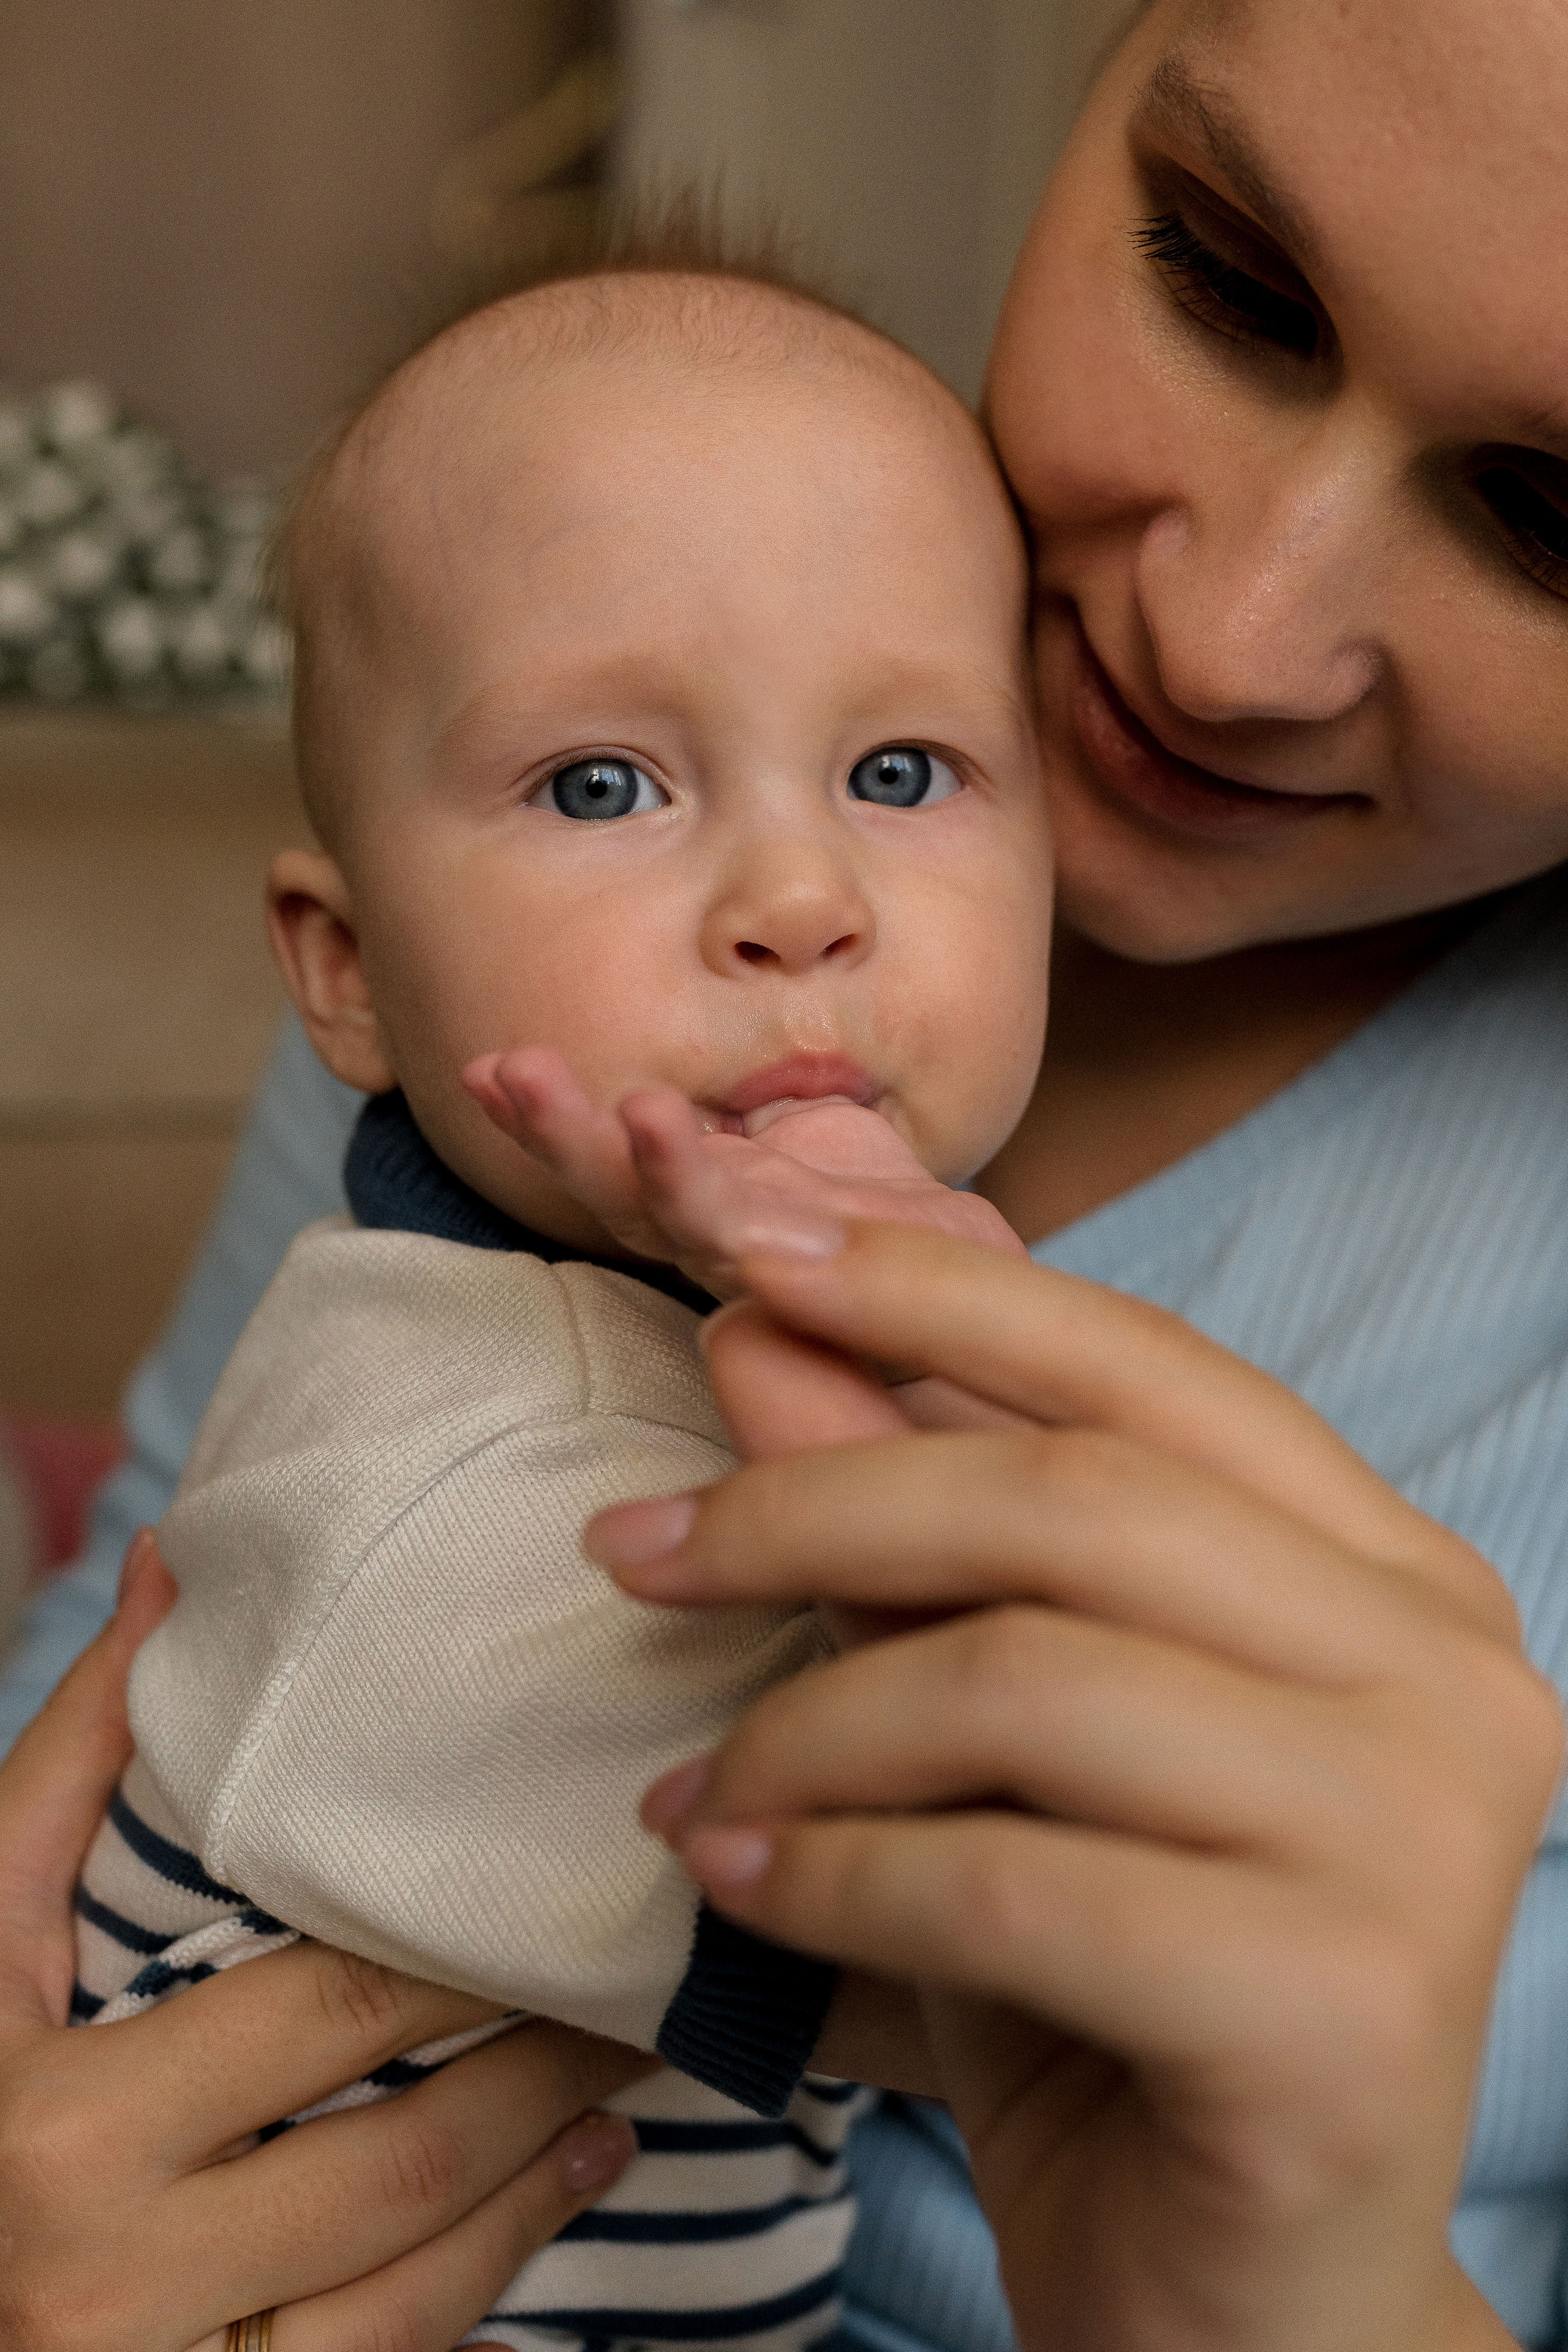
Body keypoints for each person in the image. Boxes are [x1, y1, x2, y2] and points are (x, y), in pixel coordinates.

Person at [4, 0, 1568, 2343]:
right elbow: (161, 1618)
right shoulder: (543, 876)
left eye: (1553, 518)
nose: (1223, 641)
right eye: (1231, 276)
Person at [72, 260, 1046, 2352]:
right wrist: (1044, 2028)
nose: (802, 904)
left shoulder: (717, 1321)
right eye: (605, 786)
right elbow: (508, 1823)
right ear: (346, 970)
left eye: (902, 771)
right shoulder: (469, 1429)